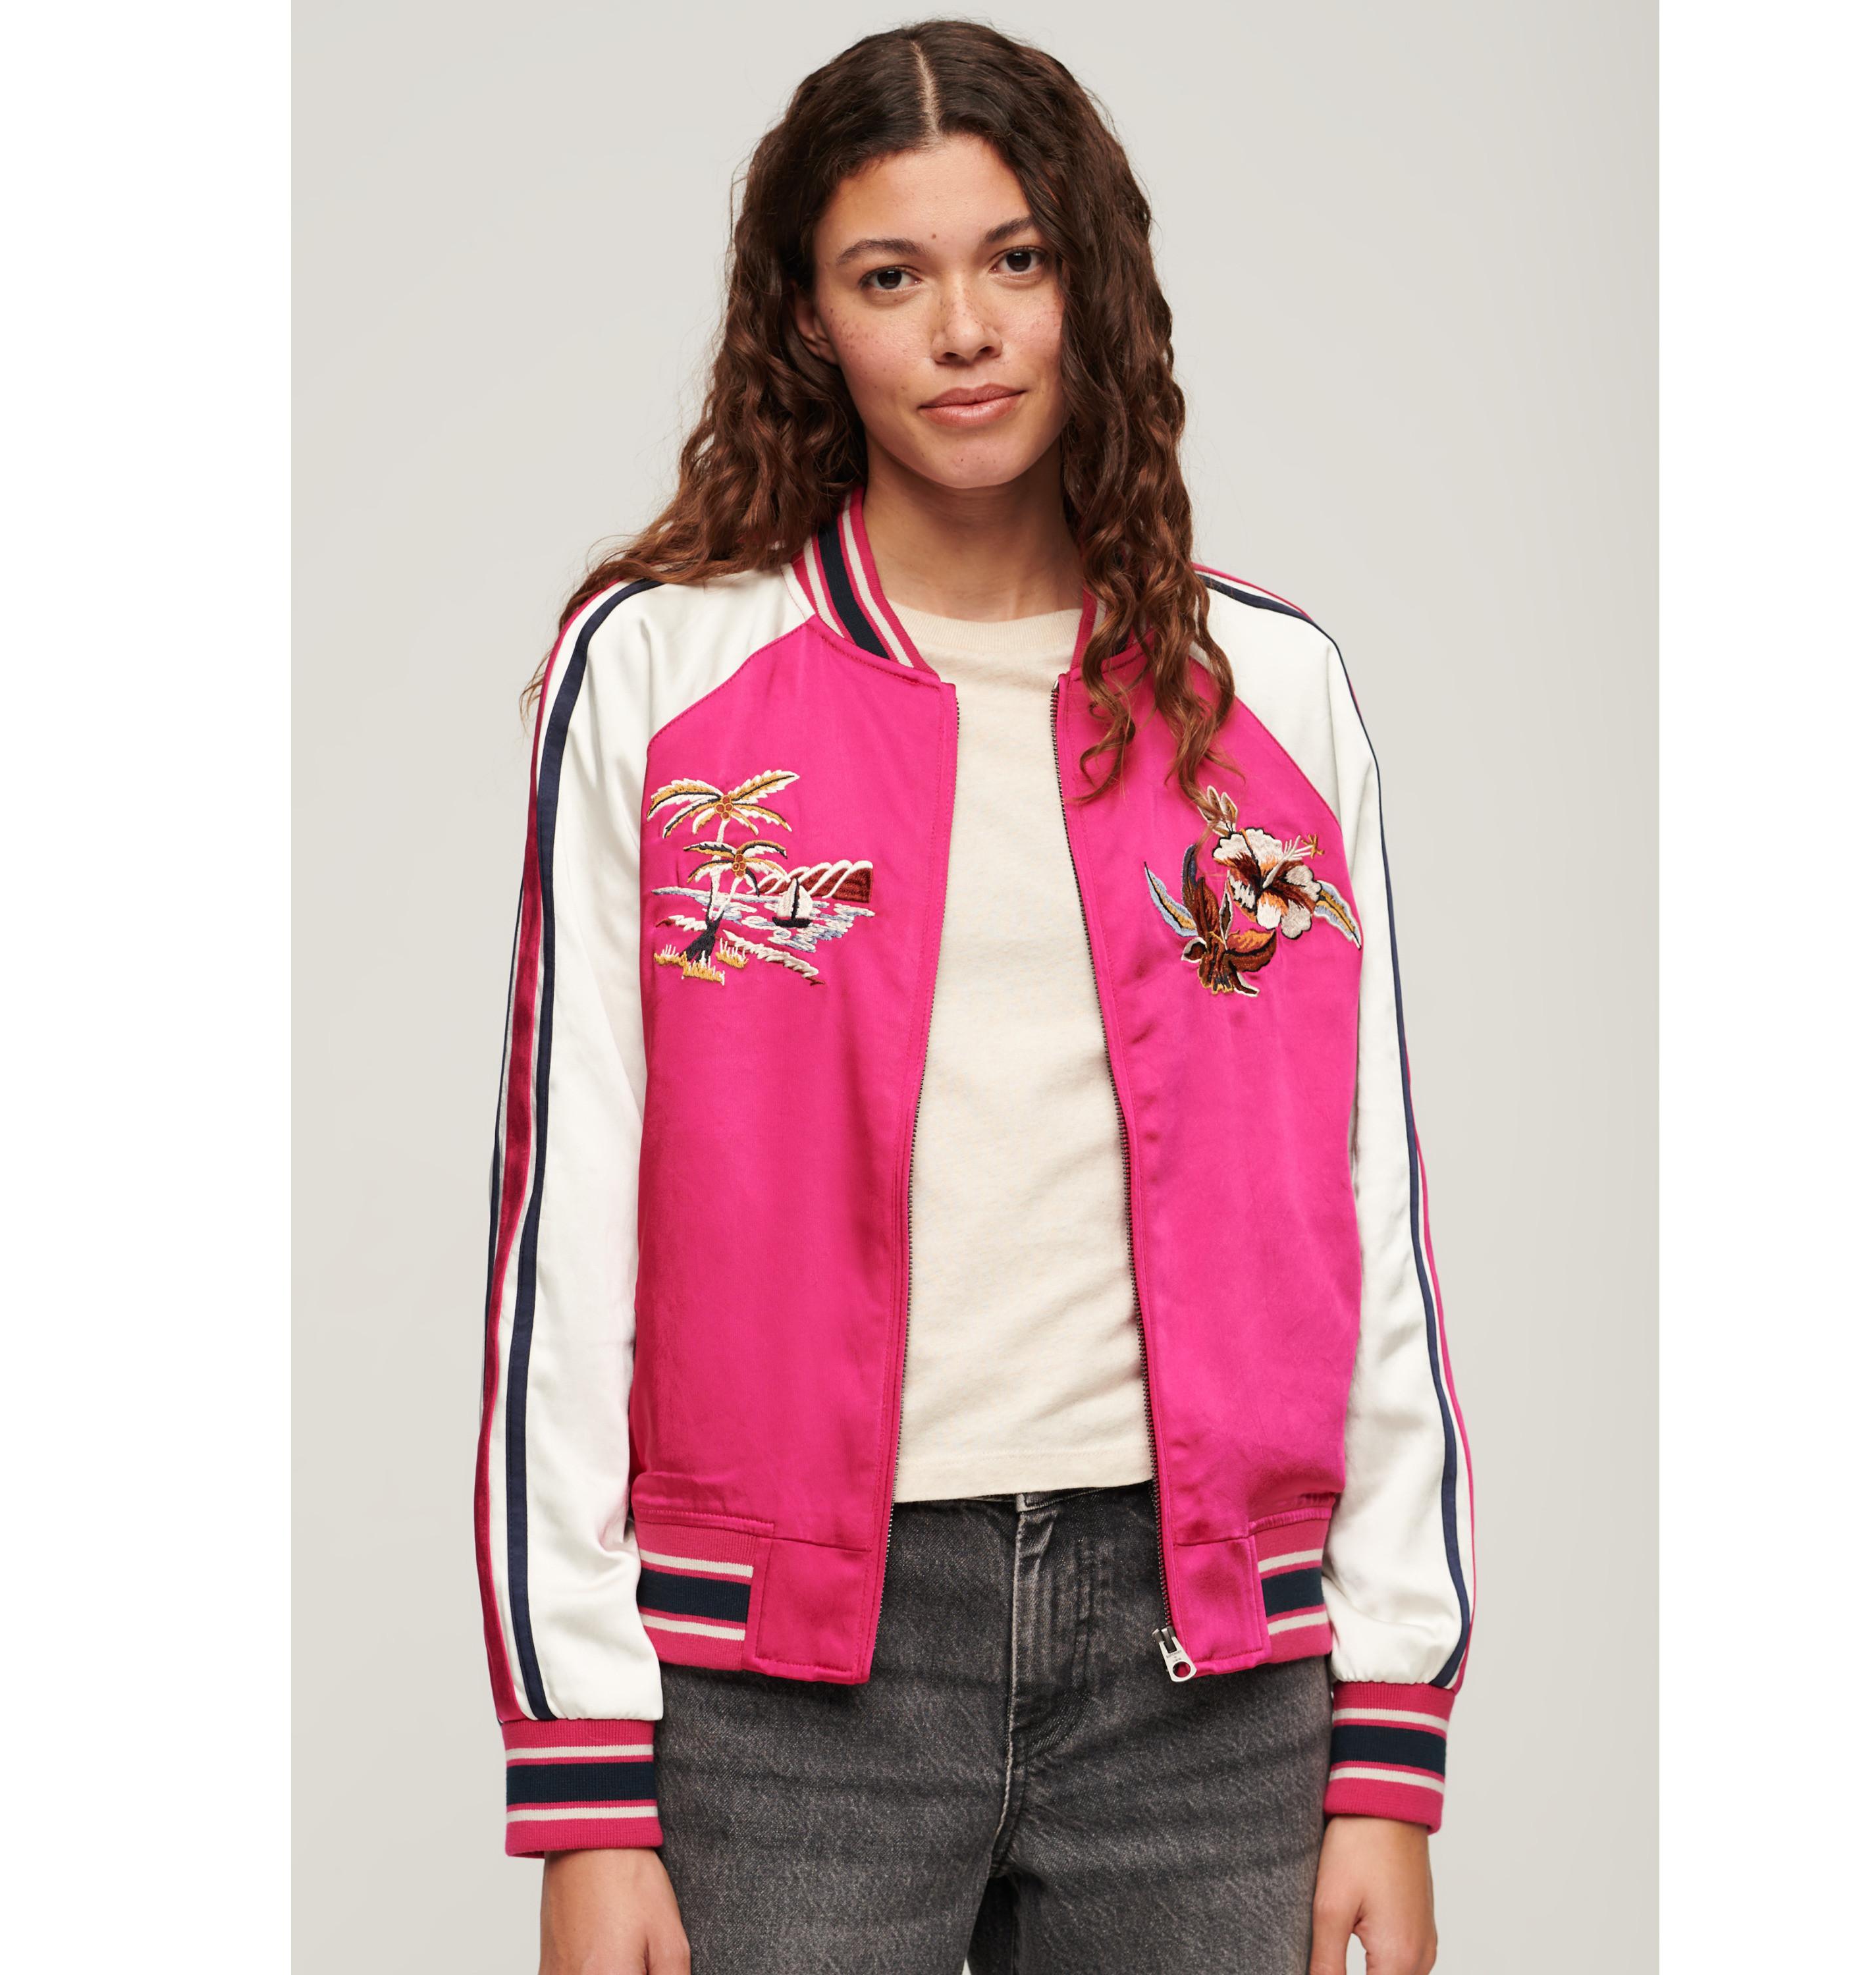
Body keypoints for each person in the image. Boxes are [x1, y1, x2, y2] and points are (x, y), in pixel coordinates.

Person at [475, 20, 1474, 1974]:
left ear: (1091, 280)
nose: (964, 330)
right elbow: (561, 1219)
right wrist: (583, 1766)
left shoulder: (1269, 695)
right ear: (809, 321)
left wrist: (1387, 1726)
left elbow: (1374, 1222)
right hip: (783, 1685)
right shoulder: (663, 677)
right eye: (890, 275)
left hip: (1211, 1673)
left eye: (1016, 259)